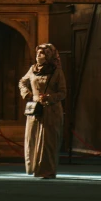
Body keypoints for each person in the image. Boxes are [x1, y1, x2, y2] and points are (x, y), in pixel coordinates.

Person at [18, 42, 67, 179]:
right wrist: (26, 93)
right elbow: (22, 82)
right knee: (33, 138)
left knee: (48, 142)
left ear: (49, 55)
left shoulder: (56, 71)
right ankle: (34, 168)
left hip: (51, 110)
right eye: (37, 53)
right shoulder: (33, 69)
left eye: (42, 53)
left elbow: (63, 92)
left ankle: (47, 170)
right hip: (35, 109)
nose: (38, 55)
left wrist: (49, 97)